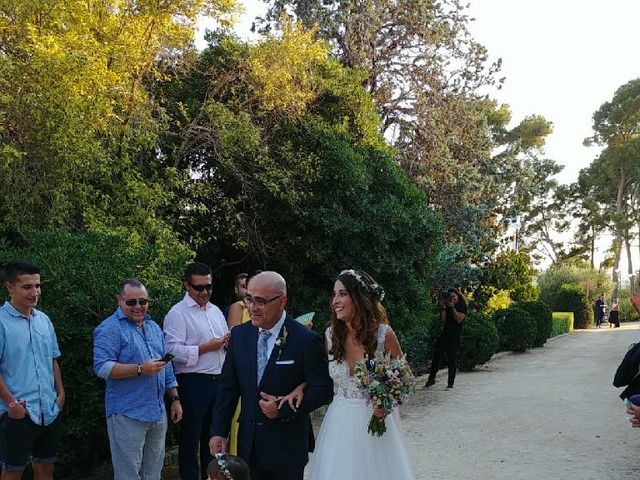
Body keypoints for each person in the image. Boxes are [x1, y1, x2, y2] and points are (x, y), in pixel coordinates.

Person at [209, 271, 333, 480]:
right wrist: (219, 430)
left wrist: (282, 410)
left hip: (287, 447)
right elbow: (228, 387)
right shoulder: (239, 335)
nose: (252, 307)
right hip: (249, 445)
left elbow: (323, 390)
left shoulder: (305, 340)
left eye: (261, 301)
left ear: (281, 301)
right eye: (249, 299)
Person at [306, 269, 414, 480]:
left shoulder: (383, 334)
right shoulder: (330, 335)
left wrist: (386, 403)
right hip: (339, 423)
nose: (335, 300)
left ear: (360, 298)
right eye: (334, 294)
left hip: (374, 423)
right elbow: (319, 377)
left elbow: (406, 379)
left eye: (343, 294)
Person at [93, 278, 183, 480]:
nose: (138, 307)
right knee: (128, 476)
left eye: (143, 301)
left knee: (153, 474)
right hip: (127, 414)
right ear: (119, 300)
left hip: (157, 412)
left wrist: (175, 399)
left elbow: (165, 366)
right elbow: (102, 367)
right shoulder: (109, 329)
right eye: (131, 302)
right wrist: (140, 369)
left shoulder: (153, 327)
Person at [163, 262, 230, 480]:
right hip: (193, 382)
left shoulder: (216, 311)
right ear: (186, 285)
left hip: (218, 380)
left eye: (208, 287)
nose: (204, 292)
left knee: (215, 436)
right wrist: (203, 348)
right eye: (198, 287)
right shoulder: (177, 313)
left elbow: (223, 342)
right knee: (191, 439)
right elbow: (171, 350)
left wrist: (227, 342)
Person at [0, 260, 65, 480]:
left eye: (37, 286)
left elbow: (53, 359)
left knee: (46, 469)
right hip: (17, 412)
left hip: (49, 409)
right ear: (10, 287)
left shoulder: (44, 320)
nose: (34, 292)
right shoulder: (1, 322)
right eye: (27, 286)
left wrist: (61, 393)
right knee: (11, 472)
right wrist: (11, 404)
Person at [424, 287, 468, 389]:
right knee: (436, 356)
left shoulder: (462, 305)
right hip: (445, 334)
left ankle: (450, 383)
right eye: (450, 297)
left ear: (458, 296)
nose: (452, 298)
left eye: (454, 296)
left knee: (452, 359)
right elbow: (443, 320)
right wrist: (444, 308)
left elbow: (459, 320)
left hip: (455, 335)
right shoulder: (447, 305)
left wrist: (452, 308)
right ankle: (431, 379)